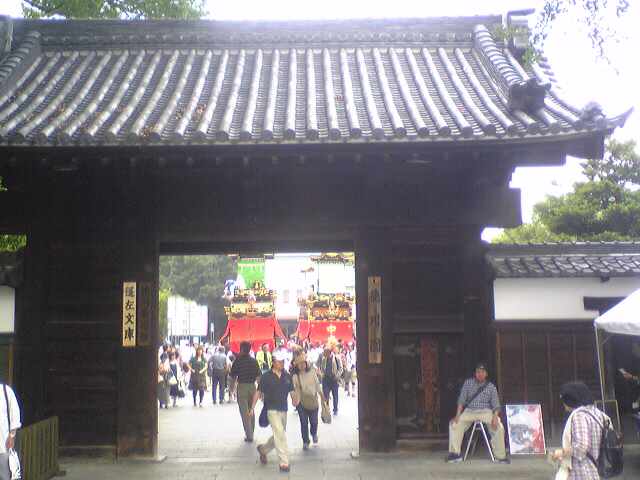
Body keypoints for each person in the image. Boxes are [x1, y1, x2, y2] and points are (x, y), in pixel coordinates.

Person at [446, 363, 509, 464]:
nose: (480, 374)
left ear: (486, 374)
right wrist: (457, 415)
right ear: (475, 373)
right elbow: (461, 400)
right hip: (469, 411)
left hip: (485, 411)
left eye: (482, 372)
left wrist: (495, 417)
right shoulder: (468, 383)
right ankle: (454, 454)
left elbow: (496, 405)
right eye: (478, 372)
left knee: (499, 427)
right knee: (454, 424)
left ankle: (500, 456)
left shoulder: (491, 387)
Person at [249, 350, 299, 473]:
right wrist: (252, 408)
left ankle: (263, 449)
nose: (282, 363)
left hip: (283, 409)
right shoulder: (266, 377)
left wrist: (295, 400)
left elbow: (292, 391)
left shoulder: (287, 375)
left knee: (279, 434)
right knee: (280, 434)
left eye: (283, 361)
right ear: (273, 362)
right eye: (279, 361)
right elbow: (258, 392)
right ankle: (284, 462)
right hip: (271, 409)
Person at [551, 381, 610, 480]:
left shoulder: (579, 416)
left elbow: (581, 447)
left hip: (581, 471)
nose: (564, 405)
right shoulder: (598, 413)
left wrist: (561, 452)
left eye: (564, 400)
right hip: (594, 468)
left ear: (571, 399)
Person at [229, 341, 261, 442]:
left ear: (242, 349)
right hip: (252, 387)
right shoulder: (254, 361)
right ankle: (251, 432)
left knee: (244, 412)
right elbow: (258, 377)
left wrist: (231, 389)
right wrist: (260, 390)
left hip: (242, 387)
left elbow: (233, 376)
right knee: (251, 410)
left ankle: (249, 435)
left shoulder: (237, 361)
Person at [292, 353, 325, 450]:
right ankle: (305, 441)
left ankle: (314, 433)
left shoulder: (312, 372)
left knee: (314, 421)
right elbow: (292, 389)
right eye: (299, 364)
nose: (302, 365)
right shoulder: (295, 376)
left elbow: (317, 385)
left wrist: (322, 395)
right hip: (301, 402)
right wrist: (294, 399)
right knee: (303, 422)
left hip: (313, 400)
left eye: (303, 363)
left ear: (306, 363)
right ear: (296, 366)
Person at [0, 382, 21, 480]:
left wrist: (12, 435)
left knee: (5, 476)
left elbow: (15, 414)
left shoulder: (6, 391)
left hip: (3, 444)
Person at [317, 345, 343, 415]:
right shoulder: (324, 359)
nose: (324, 354)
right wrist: (321, 374)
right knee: (326, 395)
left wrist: (337, 376)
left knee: (335, 395)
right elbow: (322, 368)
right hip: (326, 379)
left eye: (325, 352)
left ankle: (335, 409)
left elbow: (340, 368)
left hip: (334, 379)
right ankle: (327, 408)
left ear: (329, 352)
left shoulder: (336, 358)